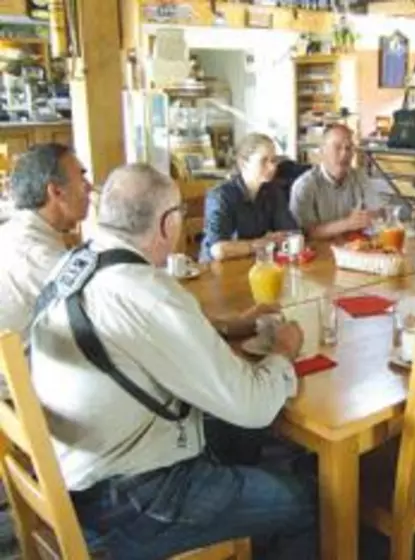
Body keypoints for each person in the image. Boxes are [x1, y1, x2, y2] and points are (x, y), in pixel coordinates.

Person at [30, 163, 317, 560]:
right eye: (180, 214)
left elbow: (133, 337)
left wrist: (226, 326)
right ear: (166, 224)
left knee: (240, 435)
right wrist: (284, 349)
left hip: (77, 472)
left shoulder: (75, 263)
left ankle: (248, 528)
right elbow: (253, 404)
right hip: (128, 502)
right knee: (306, 499)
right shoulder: (149, 292)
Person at [0, 143, 91, 341]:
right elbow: (99, 310)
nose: (89, 187)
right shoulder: (37, 255)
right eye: (81, 178)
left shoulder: (14, 230)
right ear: (56, 192)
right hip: (24, 366)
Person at [200, 133, 299, 262]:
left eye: (273, 160)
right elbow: (218, 250)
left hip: (255, 263)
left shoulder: (273, 191)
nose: (272, 167)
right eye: (264, 161)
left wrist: (247, 246)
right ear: (243, 163)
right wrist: (262, 243)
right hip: (217, 269)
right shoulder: (221, 196)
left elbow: (291, 234)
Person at [290, 124, 376, 239]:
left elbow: (380, 212)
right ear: (322, 151)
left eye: (349, 148)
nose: (345, 154)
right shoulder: (305, 185)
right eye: (337, 147)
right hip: (320, 251)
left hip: (354, 247)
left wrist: (372, 216)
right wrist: (348, 224)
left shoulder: (360, 177)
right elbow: (305, 233)